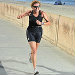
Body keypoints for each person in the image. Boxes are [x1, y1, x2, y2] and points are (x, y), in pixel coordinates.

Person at [17, 0, 50, 75]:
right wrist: (20, 16)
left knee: (34, 51)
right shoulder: (30, 12)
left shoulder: (42, 13)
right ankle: (35, 69)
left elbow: (49, 22)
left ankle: (31, 55)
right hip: (30, 32)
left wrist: (41, 23)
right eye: (35, 7)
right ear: (32, 7)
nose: (37, 8)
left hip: (39, 32)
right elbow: (21, 15)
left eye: (38, 6)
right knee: (34, 51)